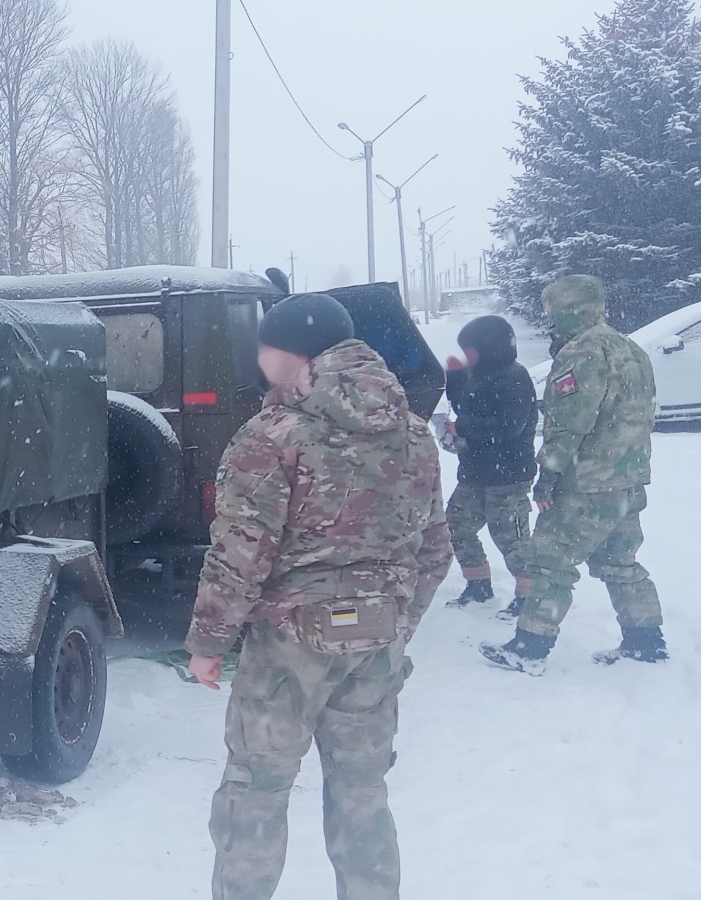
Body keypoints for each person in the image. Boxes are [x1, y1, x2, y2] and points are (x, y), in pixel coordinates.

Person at [186, 293, 452, 900]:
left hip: (291, 643)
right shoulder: (412, 431)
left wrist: (208, 643)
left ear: (292, 352)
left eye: (265, 346)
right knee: (363, 793)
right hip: (377, 637)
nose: (259, 359)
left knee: (255, 790)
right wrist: (397, 620)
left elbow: (239, 555)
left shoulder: (273, 434)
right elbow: (435, 549)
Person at [482, 275, 665, 673]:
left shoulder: (581, 351)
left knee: (549, 561)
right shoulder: (630, 347)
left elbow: (569, 423)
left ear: (564, 310)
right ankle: (646, 640)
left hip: (587, 482)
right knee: (621, 561)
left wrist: (548, 474)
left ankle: (529, 647)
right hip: (627, 479)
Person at [440, 316, 538, 610]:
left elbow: (509, 426)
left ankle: (529, 599)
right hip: (475, 471)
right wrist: (455, 378)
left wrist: (464, 427)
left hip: (507, 475)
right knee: (456, 525)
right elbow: (466, 406)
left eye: (469, 349)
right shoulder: (482, 375)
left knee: (511, 538)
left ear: (488, 347)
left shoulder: (514, 377)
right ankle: (478, 584)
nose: (467, 355)